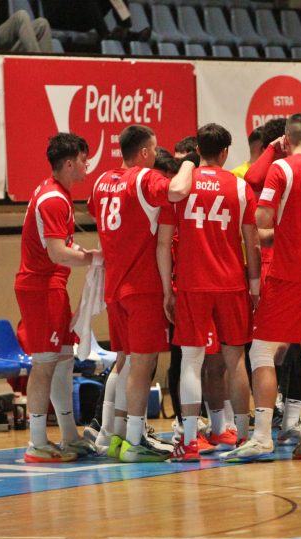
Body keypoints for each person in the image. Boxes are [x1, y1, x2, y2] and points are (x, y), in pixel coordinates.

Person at [222, 113, 301, 462]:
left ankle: (262, 437)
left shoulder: (282, 169)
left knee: (261, 352)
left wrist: (285, 224)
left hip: (289, 273)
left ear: (286, 141)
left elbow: (262, 218)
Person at [87, 124, 194, 462]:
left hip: (114, 287)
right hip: (142, 286)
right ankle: (135, 439)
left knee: (127, 361)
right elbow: (177, 190)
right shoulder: (145, 179)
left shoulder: (101, 181)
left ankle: (115, 435)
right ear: (145, 152)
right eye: (156, 148)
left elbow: (95, 211)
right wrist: (189, 163)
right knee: (141, 366)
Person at [158, 123, 261, 461]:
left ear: (197, 150)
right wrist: (255, 285)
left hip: (192, 283)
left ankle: (189, 442)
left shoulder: (180, 187)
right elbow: (252, 241)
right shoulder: (240, 186)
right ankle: (244, 438)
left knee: (191, 360)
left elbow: (163, 244)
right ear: (226, 152)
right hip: (231, 282)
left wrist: (167, 290)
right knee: (236, 359)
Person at [15, 132, 98, 463]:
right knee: (45, 365)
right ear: (69, 163)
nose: (87, 164)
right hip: (41, 288)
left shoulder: (58, 193)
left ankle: (68, 435)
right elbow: (57, 253)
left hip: (52, 286)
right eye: (83, 159)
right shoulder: (53, 199)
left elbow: (63, 246)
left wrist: (88, 254)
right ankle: (36, 442)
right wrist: (96, 259)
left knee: (63, 363)